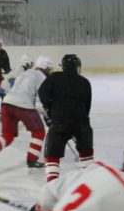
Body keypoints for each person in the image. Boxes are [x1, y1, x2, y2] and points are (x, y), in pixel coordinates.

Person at [0, 56, 54, 171]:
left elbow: (5, 85)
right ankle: (32, 160)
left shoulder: (24, 72)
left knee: (7, 135)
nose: (49, 72)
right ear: (45, 68)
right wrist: (48, 116)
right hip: (24, 105)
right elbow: (38, 105)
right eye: (49, 69)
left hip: (6, 103)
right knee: (39, 132)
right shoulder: (42, 78)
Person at [38, 54, 94, 182]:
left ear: (63, 66)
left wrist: (50, 108)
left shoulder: (54, 77)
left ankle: (52, 187)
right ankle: (91, 187)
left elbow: (42, 93)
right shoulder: (85, 82)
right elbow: (87, 106)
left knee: (51, 156)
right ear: (77, 66)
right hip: (82, 124)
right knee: (87, 158)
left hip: (60, 122)